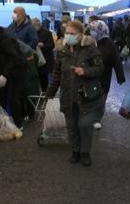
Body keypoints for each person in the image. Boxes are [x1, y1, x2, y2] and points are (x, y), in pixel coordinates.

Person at [46, 21, 104, 167]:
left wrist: (85, 71)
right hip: (68, 94)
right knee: (71, 125)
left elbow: (100, 69)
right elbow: (57, 74)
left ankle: (85, 153)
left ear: (80, 35)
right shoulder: (62, 51)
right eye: (67, 33)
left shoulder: (89, 49)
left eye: (72, 33)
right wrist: (50, 92)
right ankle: (75, 151)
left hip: (85, 95)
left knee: (84, 125)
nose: (68, 36)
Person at [88, 20, 125, 130]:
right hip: (89, 77)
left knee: (101, 99)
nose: (92, 33)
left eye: (94, 30)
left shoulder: (109, 44)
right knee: (89, 98)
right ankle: (89, 117)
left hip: (104, 77)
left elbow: (116, 61)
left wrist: (120, 77)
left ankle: (96, 119)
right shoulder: (88, 41)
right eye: (91, 30)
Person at [31, 18, 55, 92]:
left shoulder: (47, 33)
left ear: (39, 25)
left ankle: (44, 93)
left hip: (45, 59)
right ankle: (39, 93)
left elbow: (52, 46)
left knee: (43, 78)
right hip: (36, 58)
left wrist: (43, 45)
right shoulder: (32, 33)